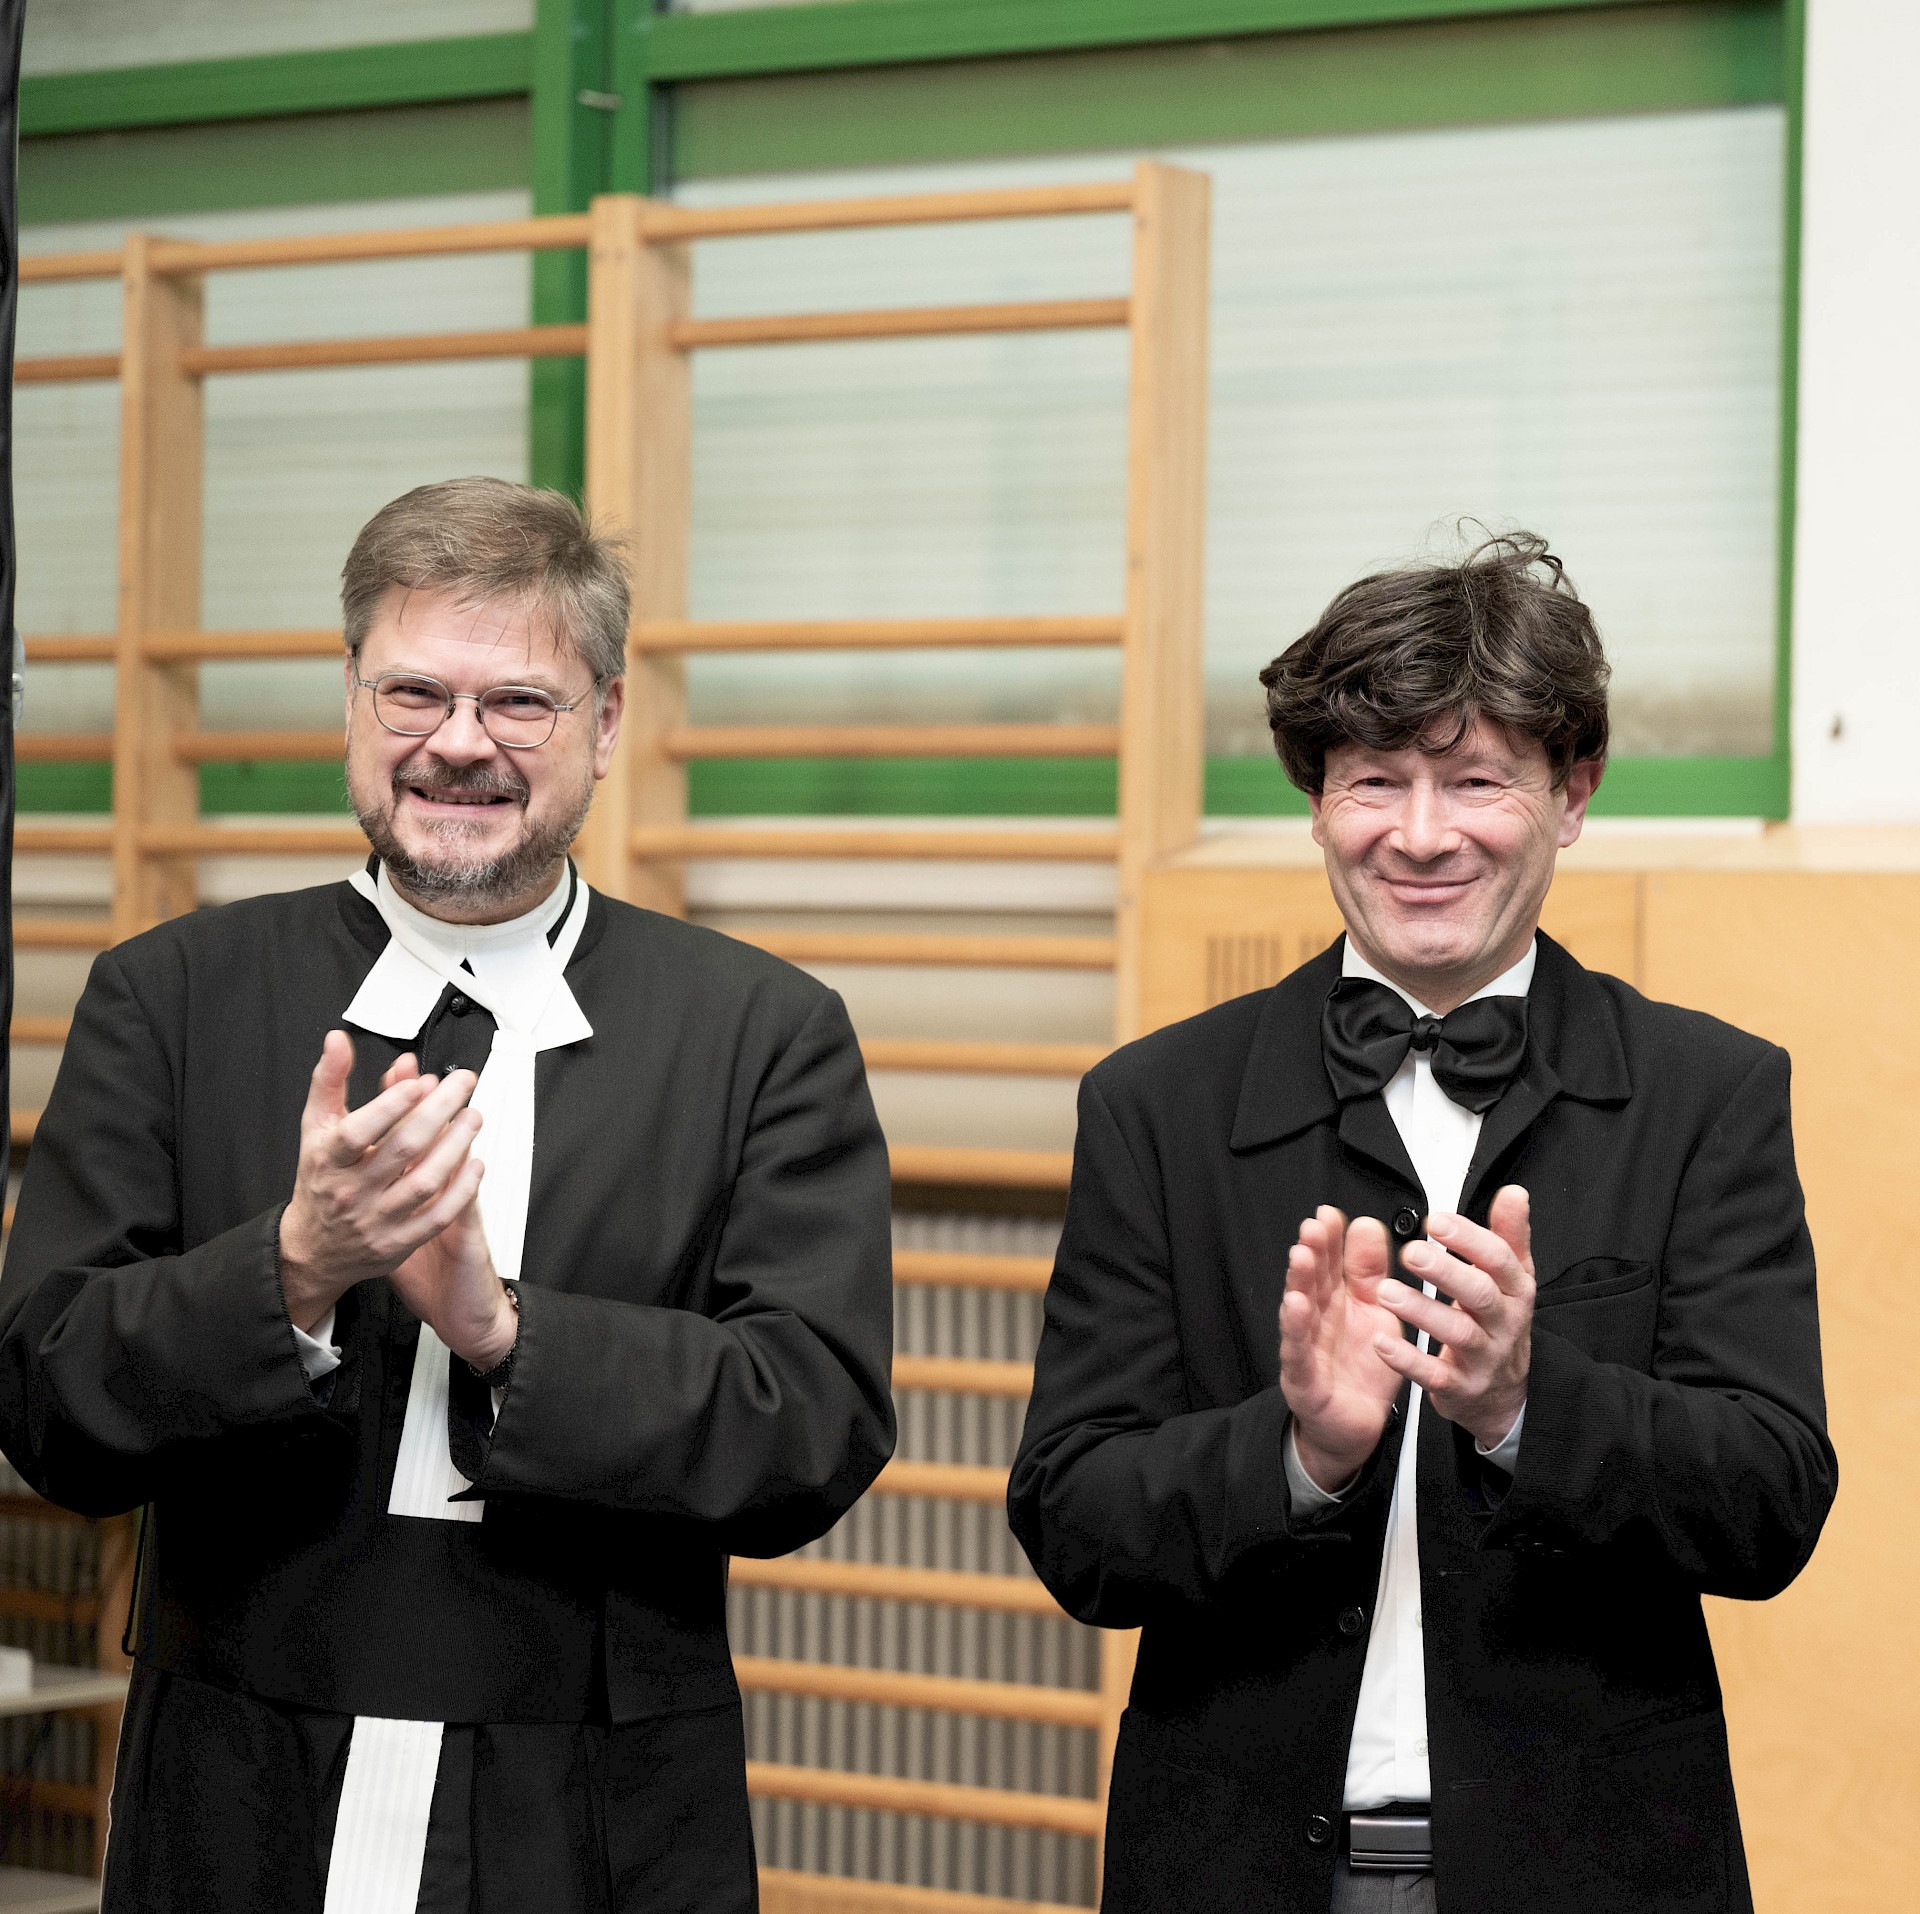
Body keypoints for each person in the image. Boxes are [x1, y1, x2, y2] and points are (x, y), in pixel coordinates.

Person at [0, 477, 896, 1914]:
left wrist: (505, 1332)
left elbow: (814, 1426)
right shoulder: (169, 998)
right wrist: (293, 1270)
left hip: (595, 1806)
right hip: (237, 1784)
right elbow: (46, 1402)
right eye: (413, 691)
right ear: (353, 702)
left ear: (607, 722)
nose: (459, 742)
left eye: (520, 701)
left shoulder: (759, 1034)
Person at [1008, 532, 1835, 1914]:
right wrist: (1298, 1454)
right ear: (1316, 801)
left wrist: (1525, 1409)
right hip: (1235, 1870)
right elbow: (1073, 1515)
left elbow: (1771, 1502)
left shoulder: (1706, 1094)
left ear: (1573, 794)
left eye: (1477, 780)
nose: (1423, 833)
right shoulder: (1156, 1105)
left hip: (1596, 1874)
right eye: (1375, 780)